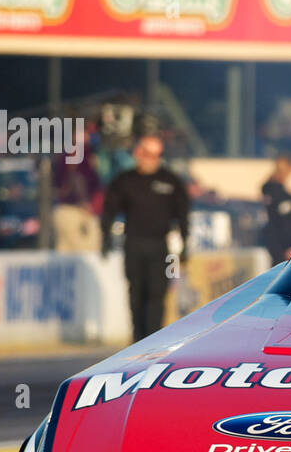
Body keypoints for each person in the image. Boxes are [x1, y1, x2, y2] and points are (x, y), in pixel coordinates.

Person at [101, 134, 190, 342]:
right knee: (136, 294)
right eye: (148, 154)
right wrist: (105, 236)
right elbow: (109, 209)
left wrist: (185, 242)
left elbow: (183, 214)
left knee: (157, 294)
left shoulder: (171, 181)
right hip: (133, 244)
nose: (151, 159)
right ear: (138, 154)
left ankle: (153, 340)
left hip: (160, 246)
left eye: (156, 155)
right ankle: (138, 340)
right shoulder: (125, 181)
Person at [52, 146, 102, 252]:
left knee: (66, 249)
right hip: (72, 211)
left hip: (73, 211)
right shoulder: (71, 166)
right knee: (84, 248)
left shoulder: (87, 166)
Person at [260, 155, 291, 262]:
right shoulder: (278, 193)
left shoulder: (274, 191)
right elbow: (283, 221)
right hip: (283, 244)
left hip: (279, 242)